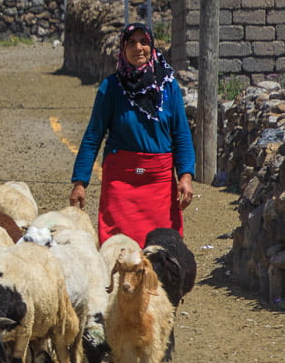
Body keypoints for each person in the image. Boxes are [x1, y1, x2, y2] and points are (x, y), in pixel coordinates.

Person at [69, 23, 194, 246]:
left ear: (152, 47)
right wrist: (80, 182)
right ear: (123, 49)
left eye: (144, 42)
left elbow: (181, 133)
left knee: (162, 249)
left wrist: (185, 176)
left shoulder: (168, 87)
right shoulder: (111, 88)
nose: (138, 48)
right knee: (118, 251)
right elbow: (93, 135)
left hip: (160, 184)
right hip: (121, 183)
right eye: (132, 43)